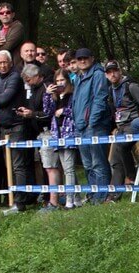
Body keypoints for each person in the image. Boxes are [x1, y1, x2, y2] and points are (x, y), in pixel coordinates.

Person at [0, 50, 29, 214]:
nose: (3, 65)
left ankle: (20, 201)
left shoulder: (15, 77)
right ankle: (12, 199)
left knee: (18, 165)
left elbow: (5, 97)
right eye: (0, 63)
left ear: (10, 63)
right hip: (4, 128)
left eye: (5, 62)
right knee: (8, 165)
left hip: (17, 125)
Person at [71, 48, 113, 203]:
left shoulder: (98, 74)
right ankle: (92, 195)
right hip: (81, 127)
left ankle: (101, 196)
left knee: (98, 163)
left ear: (92, 58)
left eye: (85, 58)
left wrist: (91, 122)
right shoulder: (78, 77)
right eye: (79, 59)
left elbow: (100, 99)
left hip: (95, 127)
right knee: (88, 164)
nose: (82, 61)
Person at [107, 60, 139, 186]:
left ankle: (131, 178)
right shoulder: (110, 90)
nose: (113, 74)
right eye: (109, 72)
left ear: (120, 71)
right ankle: (114, 193)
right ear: (106, 75)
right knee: (114, 158)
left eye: (115, 71)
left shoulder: (131, 86)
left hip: (134, 124)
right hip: (120, 126)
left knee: (122, 146)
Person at [18, 64, 57, 210]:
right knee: (44, 166)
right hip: (39, 133)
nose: (27, 82)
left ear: (36, 76)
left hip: (48, 132)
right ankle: (47, 197)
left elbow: (48, 112)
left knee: (50, 167)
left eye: (28, 79)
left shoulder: (47, 87)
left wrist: (32, 114)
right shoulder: (34, 90)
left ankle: (54, 200)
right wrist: (28, 111)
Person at [48, 69, 81, 209]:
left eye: (62, 80)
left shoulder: (73, 94)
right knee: (68, 168)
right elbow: (47, 111)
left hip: (69, 133)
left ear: (68, 80)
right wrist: (47, 95)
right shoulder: (55, 97)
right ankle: (78, 198)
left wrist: (64, 111)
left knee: (69, 169)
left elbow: (76, 111)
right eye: (57, 81)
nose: (60, 83)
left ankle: (69, 200)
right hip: (57, 134)